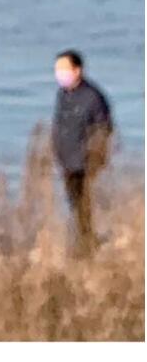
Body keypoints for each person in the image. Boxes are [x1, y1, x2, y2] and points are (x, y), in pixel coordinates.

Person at [52, 49, 113, 257]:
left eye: (64, 69)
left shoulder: (93, 97)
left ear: (77, 70)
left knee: (82, 202)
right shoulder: (63, 95)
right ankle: (84, 238)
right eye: (57, 69)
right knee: (73, 201)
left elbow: (103, 129)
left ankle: (86, 244)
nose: (60, 73)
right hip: (66, 158)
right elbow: (59, 124)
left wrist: (95, 157)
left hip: (85, 160)